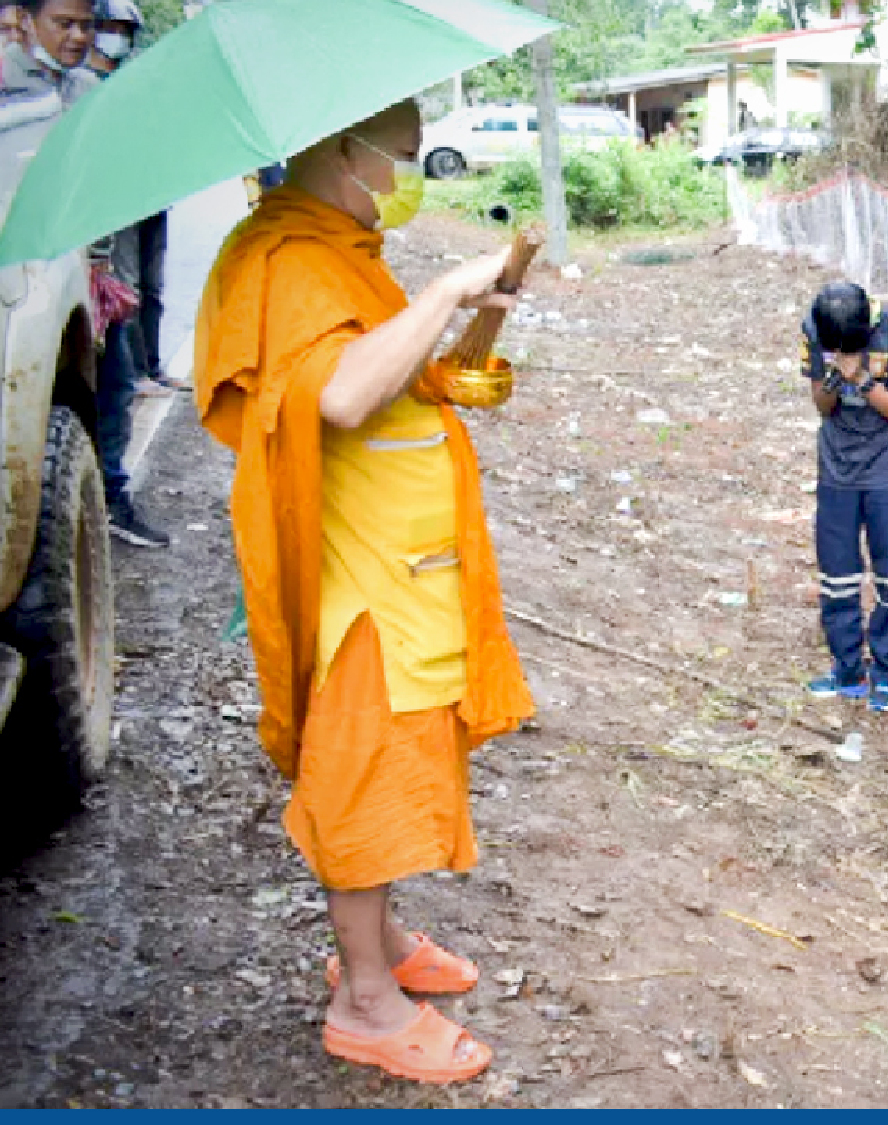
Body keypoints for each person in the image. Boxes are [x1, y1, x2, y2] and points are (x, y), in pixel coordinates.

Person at [194, 100, 535, 1084]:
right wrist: (444, 290)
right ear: (340, 149)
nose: (407, 170)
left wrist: (468, 329)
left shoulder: (341, 244)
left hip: (408, 564)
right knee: (361, 785)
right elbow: (337, 394)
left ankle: (375, 945)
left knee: (391, 771)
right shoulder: (286, 256)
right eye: (399, 151)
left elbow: (380, 369)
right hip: (360, 584)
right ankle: (367, 1003)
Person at [799, 281, 888, 714]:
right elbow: (822, 405)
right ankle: (847, 669)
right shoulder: (815, 327)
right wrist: (834, 375)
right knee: (837, 576)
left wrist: (863, 379)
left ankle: (885, 672)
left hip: (885, 471)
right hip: (835, 471)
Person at [80, 0, 169, 548]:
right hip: (69, 271)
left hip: (99, 261)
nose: (98, 37)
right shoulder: (60, 92)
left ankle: (108, 496)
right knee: (106, 383)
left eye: (109, 28)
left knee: (115, 383)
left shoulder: (116, 87)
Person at [1, 0, 98, 103]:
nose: (79, 36)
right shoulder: (4, 77)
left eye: (86, 25)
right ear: (25, 20)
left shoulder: (88, 84)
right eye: (64, 24)